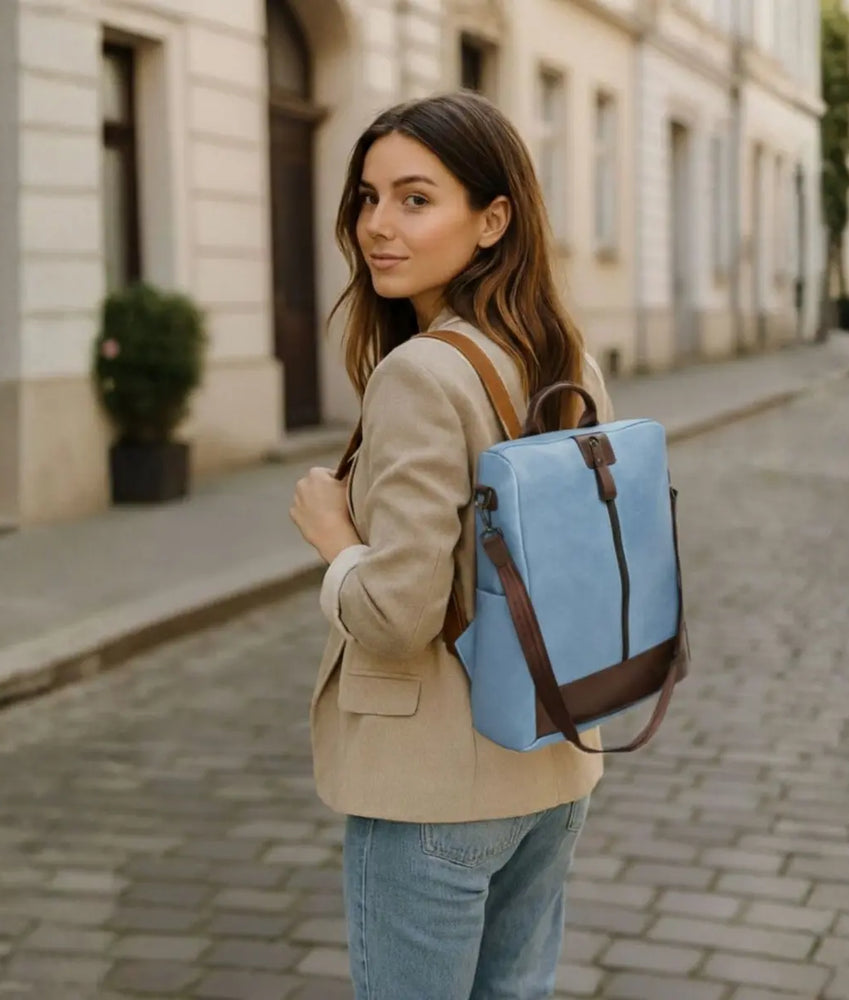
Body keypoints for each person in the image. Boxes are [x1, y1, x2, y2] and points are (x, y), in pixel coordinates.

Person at [289, 90, 615, 1000]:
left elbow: (396, 619)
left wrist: (335, 539)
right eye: (366, 198)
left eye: (415, 199)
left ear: (492, 220)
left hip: (435, 785)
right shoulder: (564, 354)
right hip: (554, 764)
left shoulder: (420, 373)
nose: (376, 227)